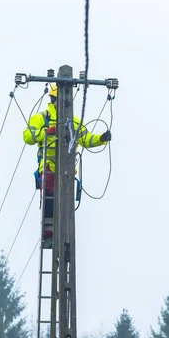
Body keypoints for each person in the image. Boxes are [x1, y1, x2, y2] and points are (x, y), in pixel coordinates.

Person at [22, 83, 111, 249]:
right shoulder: (42, 118)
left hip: (67, 169)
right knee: (51, 199)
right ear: (54, 99)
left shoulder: (74, 122)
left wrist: (102, 138)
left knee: (66, 204)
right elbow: (28, 136)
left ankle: (66, 239)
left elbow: (87, 139)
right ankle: (49, 236)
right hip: (48, 166)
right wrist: (47, 132)